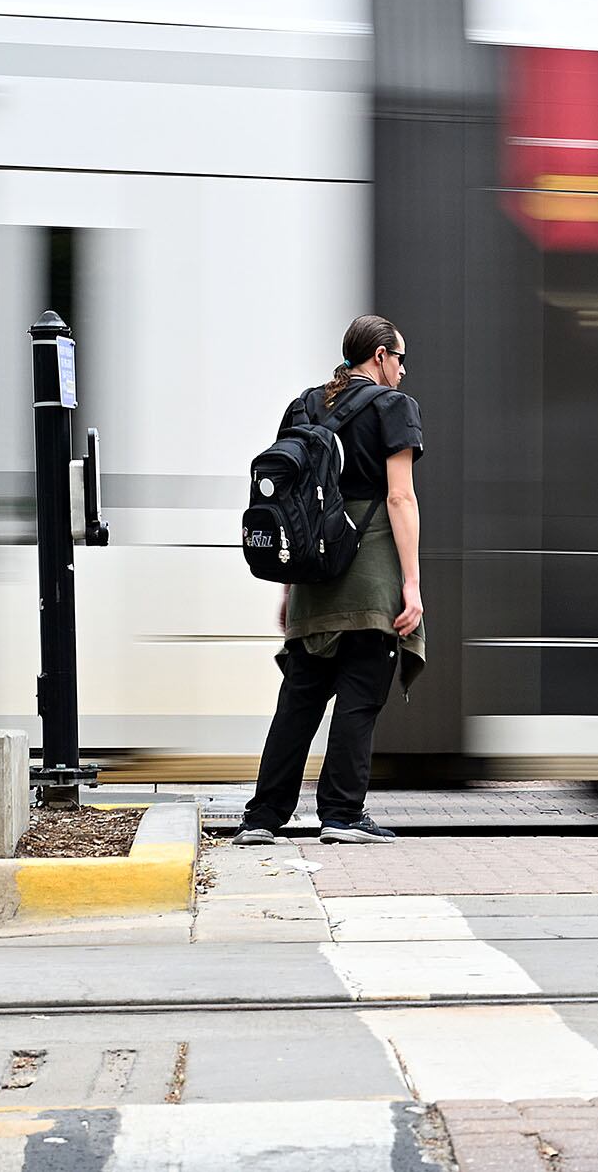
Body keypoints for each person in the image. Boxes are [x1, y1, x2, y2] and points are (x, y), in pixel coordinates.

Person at [235, 315, 427, 847]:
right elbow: (400, 498)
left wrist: (288, 586)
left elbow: (290, 502)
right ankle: (342, 814)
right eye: (401, 358)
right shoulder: (394, 407)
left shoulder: (304, 405)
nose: (404, 370)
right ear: (381, 356)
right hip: (368, 574)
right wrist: (411, 585)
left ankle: (262, 818)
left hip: (313, 576)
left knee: (299, 699)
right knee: (360, 695)